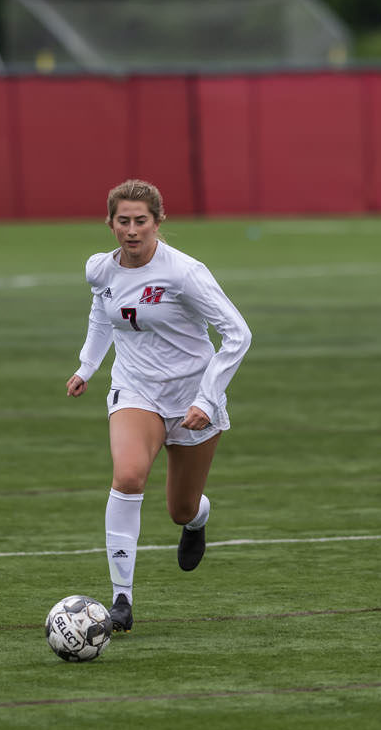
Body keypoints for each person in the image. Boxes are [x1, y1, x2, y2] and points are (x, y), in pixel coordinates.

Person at [66, 179, 253, 631]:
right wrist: (87, 367)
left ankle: (198, 518)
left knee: (180, 509)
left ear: (157, 223)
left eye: (141, 221)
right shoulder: (100, 269)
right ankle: (121, 601)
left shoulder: (184, 272)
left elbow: (238, 334)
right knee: (128, 476)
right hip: (135, 391)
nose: (132, 231)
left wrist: (207, 399)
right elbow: (101, 311)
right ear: (110, 223)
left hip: (192, 397)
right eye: (123, 221)